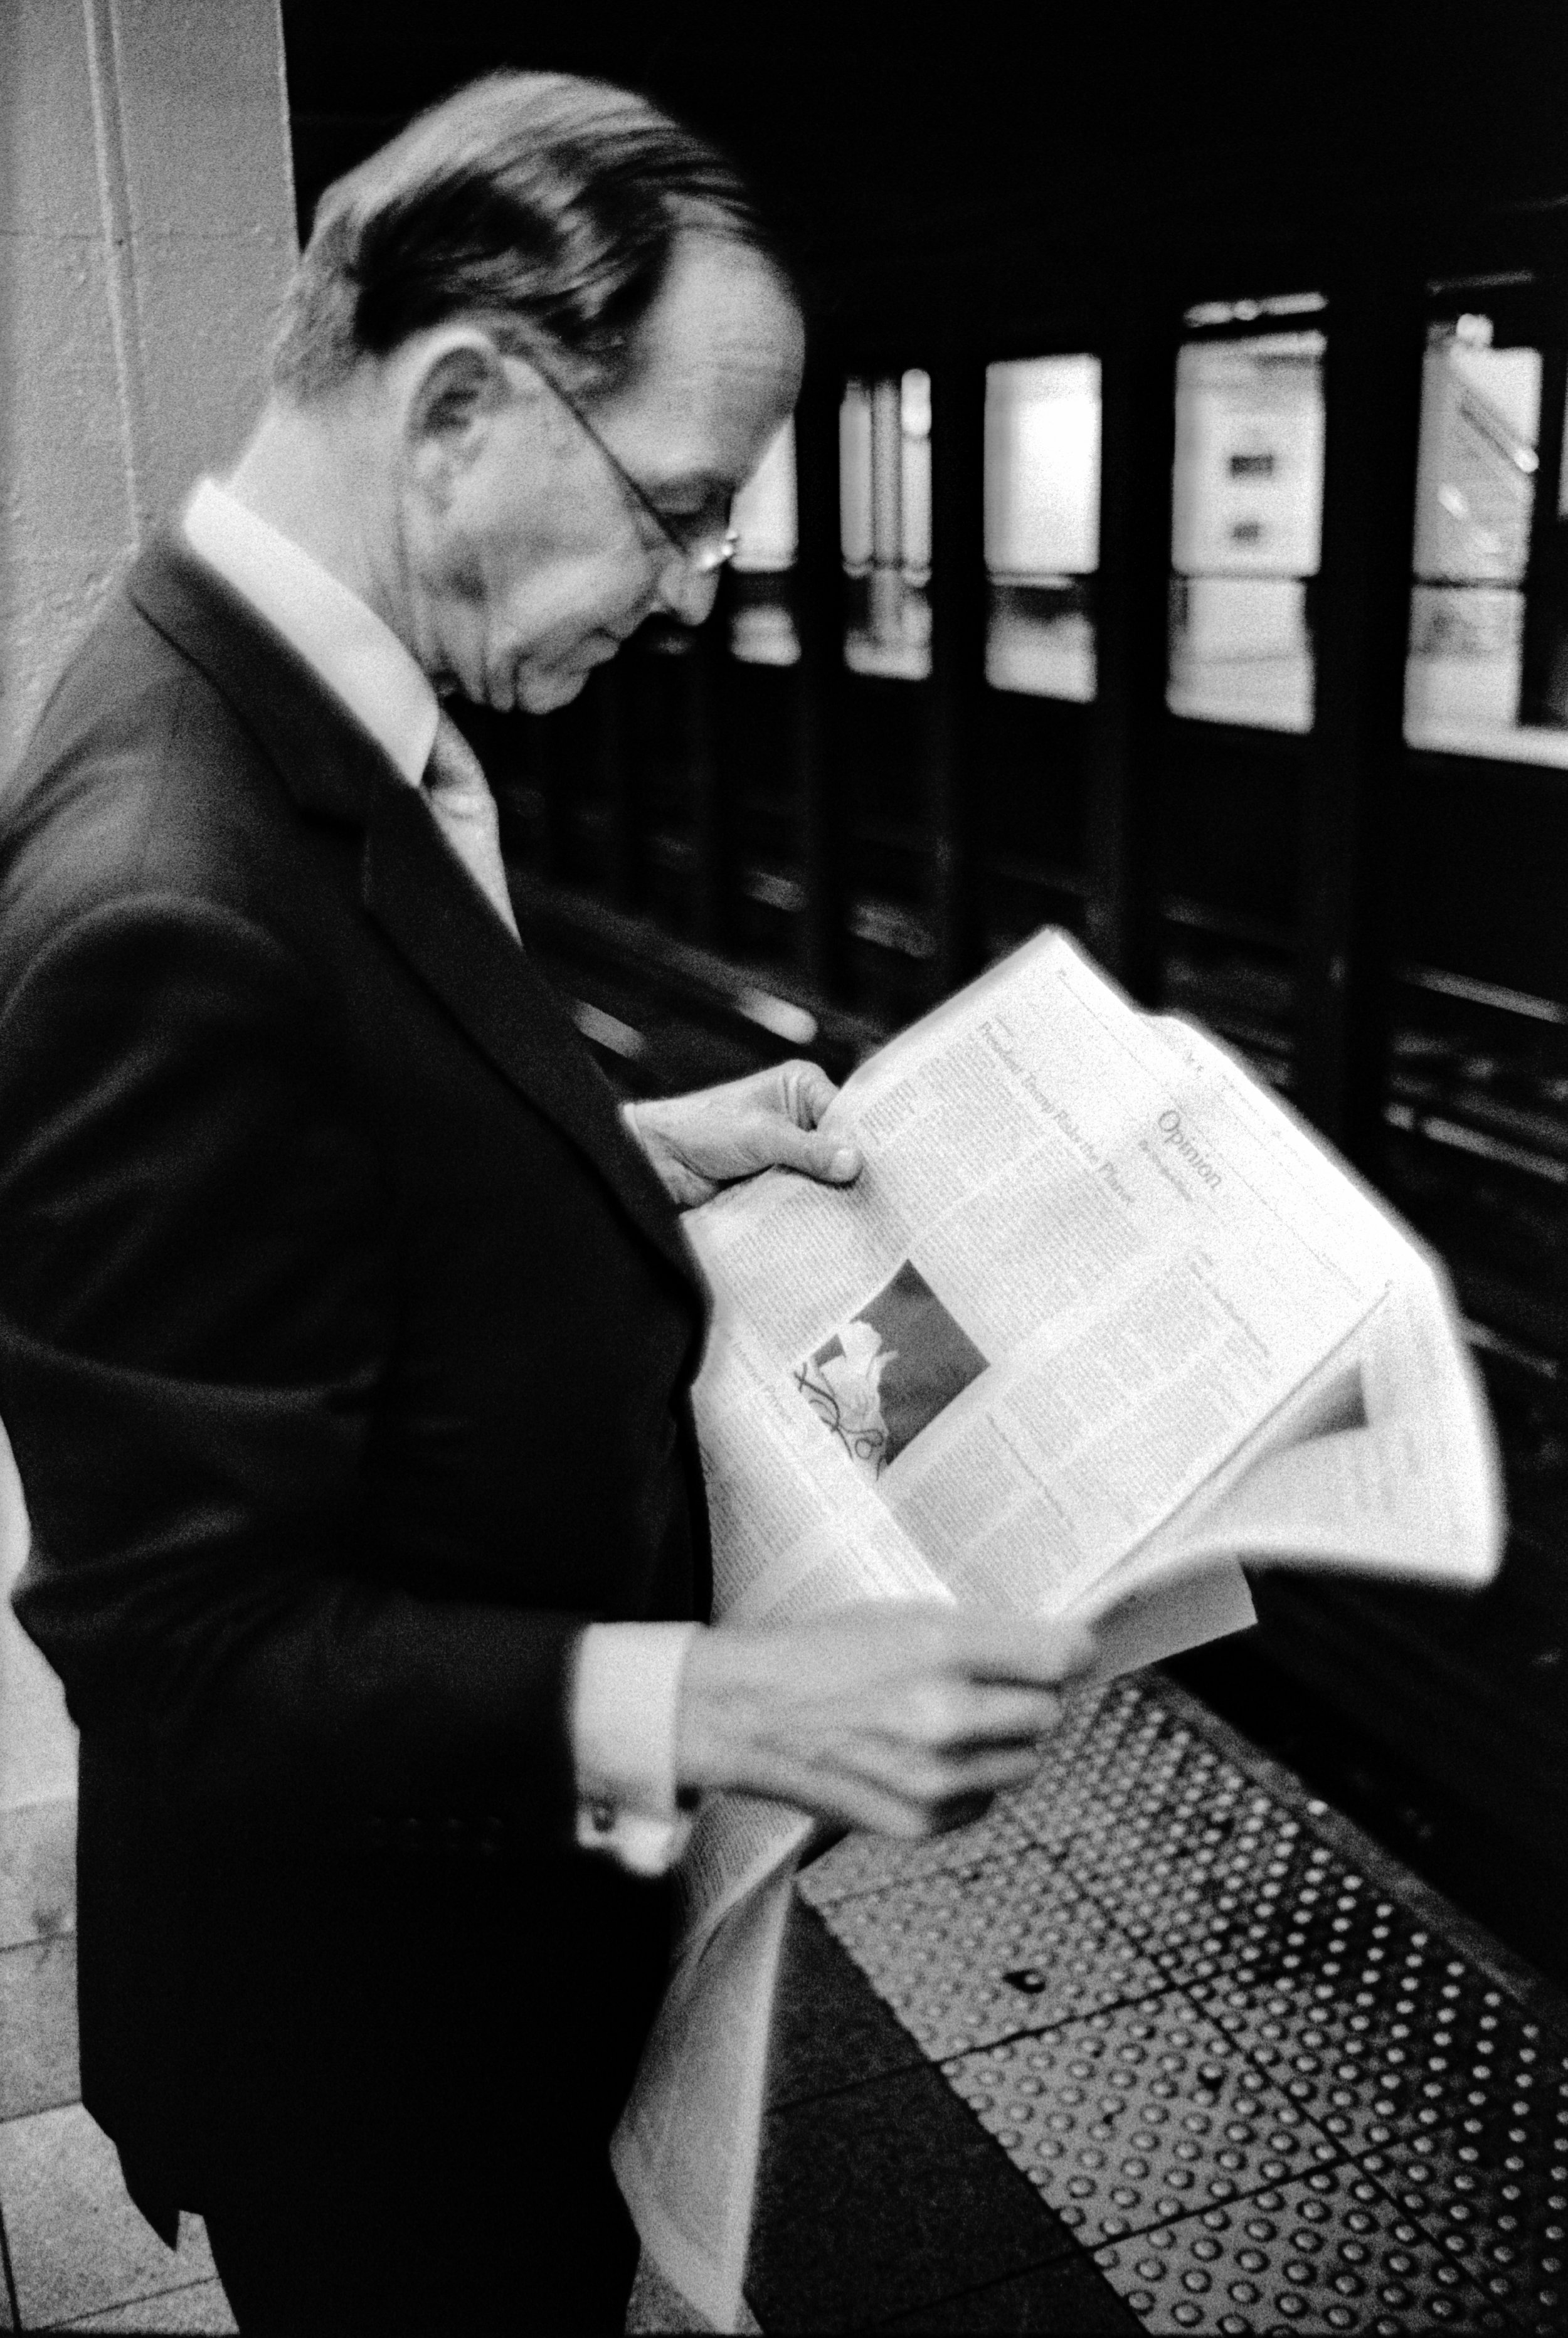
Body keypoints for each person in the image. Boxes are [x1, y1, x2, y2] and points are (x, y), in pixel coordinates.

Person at [0, 71, 1093, 2332]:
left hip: (459, 1950)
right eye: (680, 513)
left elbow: (343, 1138)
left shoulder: (294, 706)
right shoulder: (166, 893)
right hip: (373, 2037)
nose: (698, 591)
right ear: (467, 402)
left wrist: (626, 1150)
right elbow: (181, 1651)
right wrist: (722, 1709)